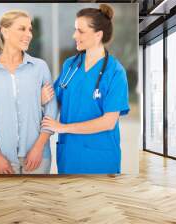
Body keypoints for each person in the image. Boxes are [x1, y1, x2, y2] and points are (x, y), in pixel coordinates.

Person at [41, 4, 129, 174]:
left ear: (98, 35)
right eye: (75, 30)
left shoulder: (115, 72)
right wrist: (42, 97)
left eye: (80, 31)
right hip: (69, 156)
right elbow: (53, 99)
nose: (74, 35)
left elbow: (109, 122)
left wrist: (63, 127)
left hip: (101, 159)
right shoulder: (70, 65)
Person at [0, 10, 57, 174]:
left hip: (38, 157)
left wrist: (38, 148)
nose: (29, 34)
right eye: (22, 29)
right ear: (5, 31)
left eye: (30, 29)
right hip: (3, 159)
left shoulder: (40, 67)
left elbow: (51, 112)